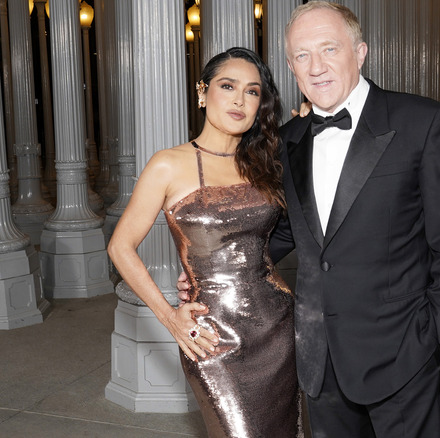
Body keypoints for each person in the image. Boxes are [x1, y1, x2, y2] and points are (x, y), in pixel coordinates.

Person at [181, 2, 440, 436]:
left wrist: (438, 332)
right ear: (291, 66)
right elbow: (284, 230)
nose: (316, 66)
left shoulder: (423, 121)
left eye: (329, 49)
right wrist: (212, 267)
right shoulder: (287, 140)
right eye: (302, 55)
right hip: (318, 359)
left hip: (404, 352)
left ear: (359, 52)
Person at [108, 47, 302, 438]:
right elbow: (120, 247)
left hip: (279, 325)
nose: (238, 99)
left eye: (252, 91)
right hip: (211, 335)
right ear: (202, 92)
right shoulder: (168, 163)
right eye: (227, 86)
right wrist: (170, 318)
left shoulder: (265, 161)